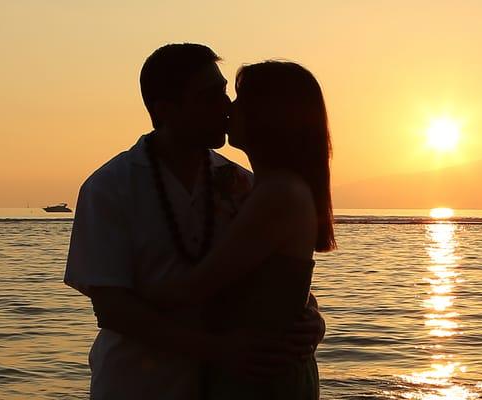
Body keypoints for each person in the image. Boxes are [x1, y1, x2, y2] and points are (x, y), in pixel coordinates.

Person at [64, 44, 326, 399]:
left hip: (221, 382)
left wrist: (309, 313)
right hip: (136, 383)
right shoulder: (110, 187)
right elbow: (112, 309)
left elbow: (268, 271)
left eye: (224, 92)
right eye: (210, 96)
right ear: (164, 112)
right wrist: (218, 350)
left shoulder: (241, 184)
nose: (226, 107)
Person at [140, 60, 335, 399]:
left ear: (269, 115)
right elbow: (276, 282)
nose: (228, 107)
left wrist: (118, 296)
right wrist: (312, 312)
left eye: (240, 99)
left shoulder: (278, 193)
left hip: (261, 377)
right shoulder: (260, 187)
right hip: (257, 370)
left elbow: (199, 287)